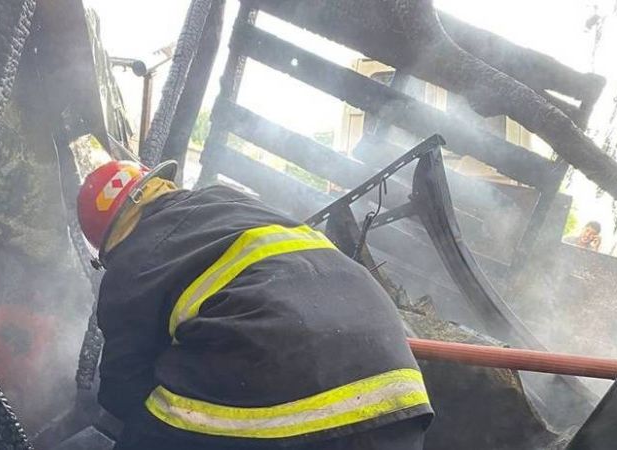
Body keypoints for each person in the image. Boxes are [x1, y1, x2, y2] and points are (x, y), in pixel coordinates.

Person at [77, 160, 433, 450]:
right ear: (161, 185)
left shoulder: (129, 266)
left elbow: (122, 387)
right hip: (398, 393)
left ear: (107, 244)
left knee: (149, 429)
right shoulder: (226, 203)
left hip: (284, 385)